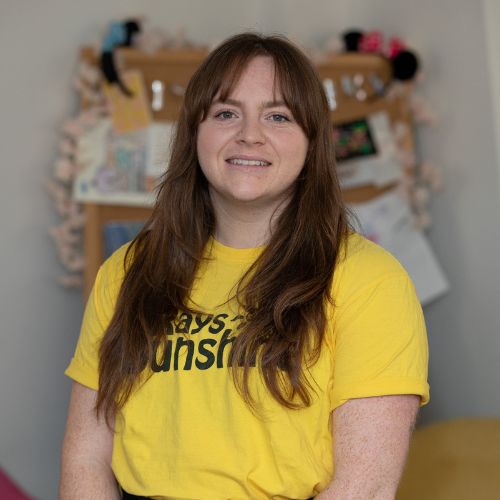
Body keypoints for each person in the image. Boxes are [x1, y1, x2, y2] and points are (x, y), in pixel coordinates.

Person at [60, 32, 429, 499]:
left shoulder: (369, 278)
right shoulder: (128, 270)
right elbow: (84, 460)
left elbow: (364, 487)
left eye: (278, 116)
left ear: (312, 140)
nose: (249, 134)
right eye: (226, 113)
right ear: (195, 132)